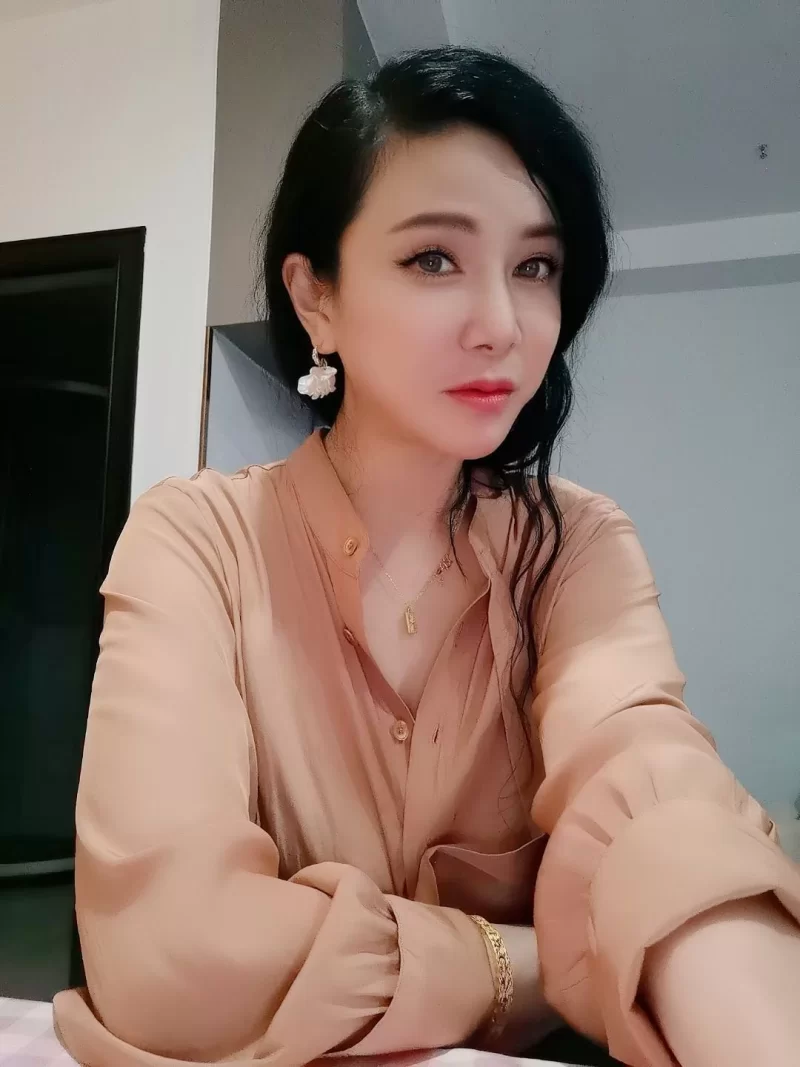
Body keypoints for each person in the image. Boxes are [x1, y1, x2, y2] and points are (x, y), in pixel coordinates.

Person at [54, 47, 800, 1067]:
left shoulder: (574, 545)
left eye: (534, 267)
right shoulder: (197, 541)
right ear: (316, 297)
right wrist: (532, 963)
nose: (502, 324)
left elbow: (651, 788)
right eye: (434, 259)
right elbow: (169, 958)